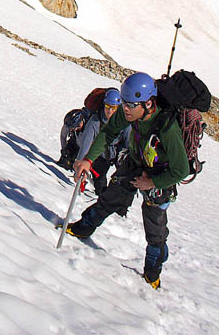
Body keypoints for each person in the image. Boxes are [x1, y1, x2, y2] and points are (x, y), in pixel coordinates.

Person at [66, 72, 190, 289]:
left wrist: (152, 183)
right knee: (110, 198)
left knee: (155, 227)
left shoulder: (167, 129)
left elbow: (181, 170)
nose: (125, 109)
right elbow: (108, 133)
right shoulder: (130, 113)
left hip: (160, 175)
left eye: (130, 105)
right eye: (124, 103)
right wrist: (88, 160)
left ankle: (152, 273)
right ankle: (83, 228)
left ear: (148, 104)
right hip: (136, 162)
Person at [75, 88, 129, 195]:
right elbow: (86, 143)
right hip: (101, 154)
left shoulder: (125, 121)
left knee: (122, 180)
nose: (110, 111)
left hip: (118, 152)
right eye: (108, 106)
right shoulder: (95, 120)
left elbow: (129, 143)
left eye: (114, 108)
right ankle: (101, 196)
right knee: (100, 180)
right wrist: (80, 165)